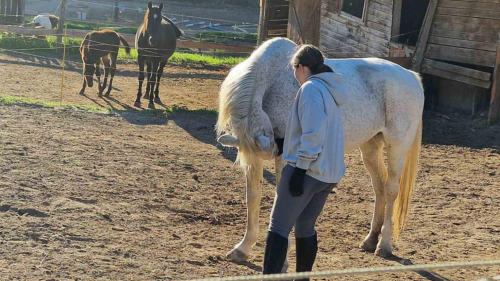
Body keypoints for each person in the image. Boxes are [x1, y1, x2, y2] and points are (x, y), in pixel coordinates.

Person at [263, 45, 348, 279]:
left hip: (308, 171)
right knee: (304, 228)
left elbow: (314, 133)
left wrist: (299, 169)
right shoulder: (330, 90)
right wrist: (286, 142)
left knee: (278, 227)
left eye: (294, 69)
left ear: (300, 67)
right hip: (328, 175)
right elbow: (319, 129)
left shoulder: (310, 89)